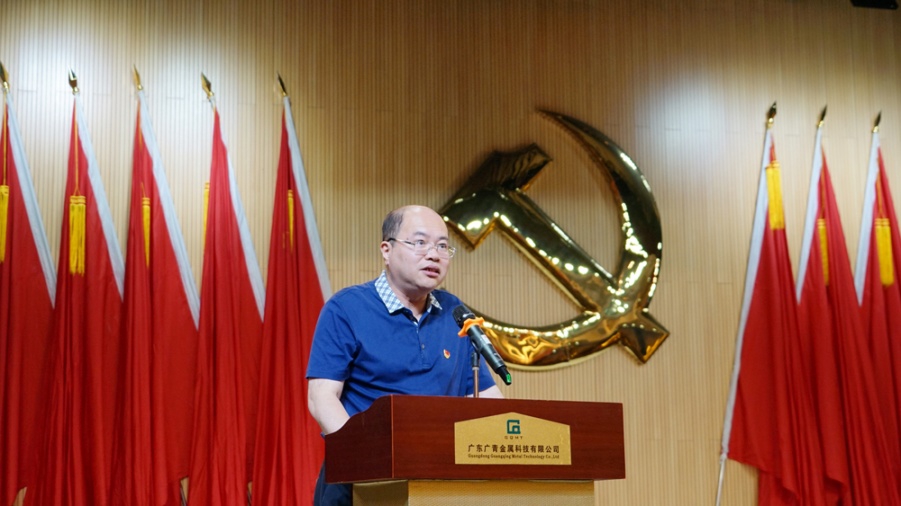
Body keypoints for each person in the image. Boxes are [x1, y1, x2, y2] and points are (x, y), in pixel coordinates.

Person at [306, 204, 504, 505]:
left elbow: (486, 397)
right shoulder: (346, 308)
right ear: (386, 250)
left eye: (442, 246)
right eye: (420, 242)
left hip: (437, 480)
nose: (434, 255)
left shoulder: (454, 312)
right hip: (360, 481)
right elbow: (321, 398)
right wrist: (364, 458)